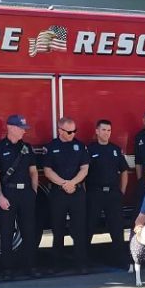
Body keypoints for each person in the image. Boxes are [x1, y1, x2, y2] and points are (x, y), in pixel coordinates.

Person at [0, 114, 40, 280]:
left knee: (29, 231)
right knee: (6, 232)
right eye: (20, 128)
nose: (23, 132)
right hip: (8, 194)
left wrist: (33, 193)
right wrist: (1, 197)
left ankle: (31, 267)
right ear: (10, 127)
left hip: (26, 194)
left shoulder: (27, 148)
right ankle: (7, 270)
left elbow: (33, 172)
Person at [43, 117, 90, 274]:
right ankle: (57, 264)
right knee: (58, 229)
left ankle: (81, 264)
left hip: (76, 192)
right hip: (58, 193)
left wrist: (73, 184)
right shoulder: (51, 147)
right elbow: (48, 171)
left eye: (74, 131)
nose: (72, 134)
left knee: (79, 230)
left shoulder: (80, 145)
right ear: (60, 131)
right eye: (69, 132)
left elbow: (84, 168)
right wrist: (64, 184)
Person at [86, 119, 130, 267]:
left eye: (109, 130)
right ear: (97, 131)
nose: (107, 133)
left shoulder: (115, 150)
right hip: (95, 193)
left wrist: (121, 191)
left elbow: (124, 170)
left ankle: (120, 260)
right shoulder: (89, 150)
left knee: (117, 228)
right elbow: (83, 171)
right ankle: (85, 261)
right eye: (104, 130)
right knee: (89, 226)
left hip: (113, 194)